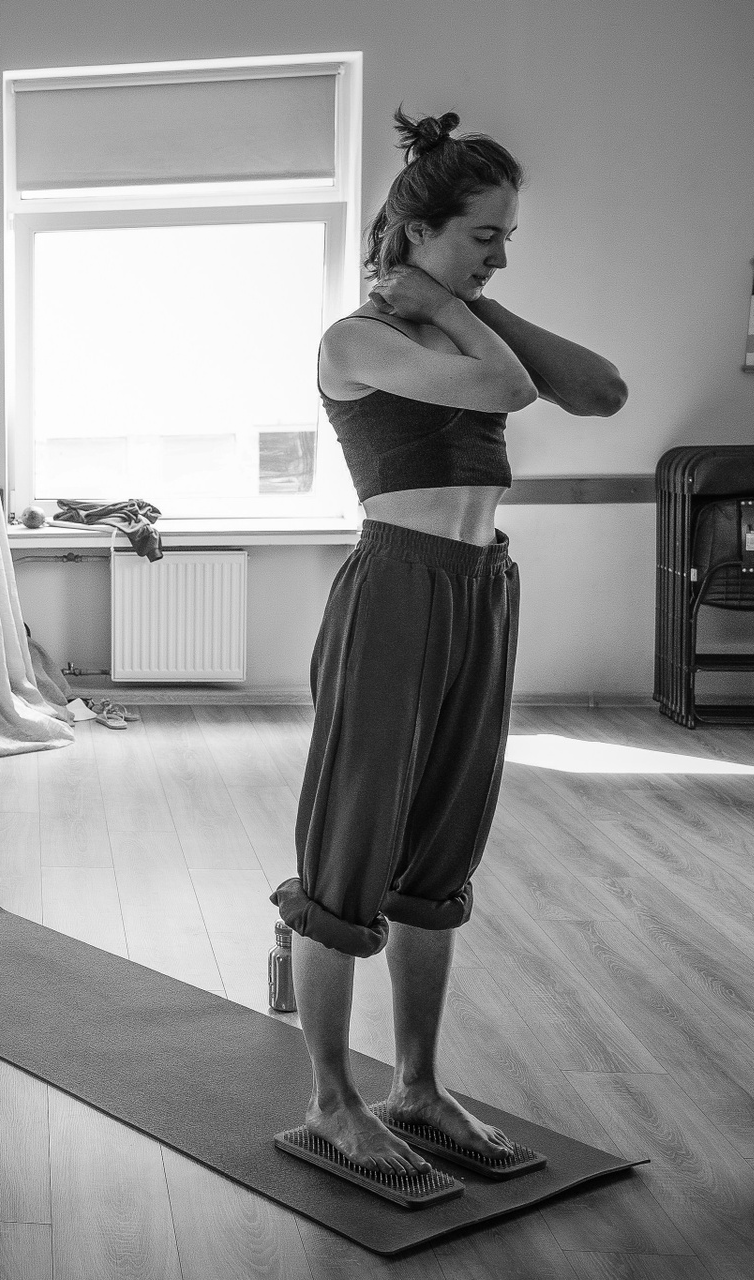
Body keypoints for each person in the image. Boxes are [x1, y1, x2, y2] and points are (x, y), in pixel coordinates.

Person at [272, 109, 626, 1174]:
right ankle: (332, 1100)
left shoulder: (468, 322)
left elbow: (602, 392)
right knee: (352, 848)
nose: (500, 255)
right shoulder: (356, 341)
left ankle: (418, 1086)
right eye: (484, 235)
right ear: (418, 229)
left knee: (440, 850)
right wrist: (439, 305)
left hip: (482, 588)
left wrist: (463, 299)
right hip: (396, 587)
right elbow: (509, 388)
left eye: (508, 236)